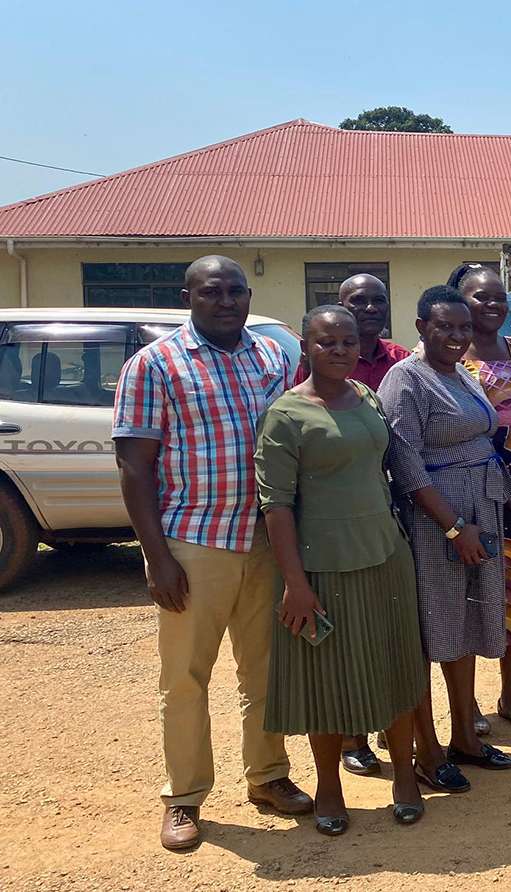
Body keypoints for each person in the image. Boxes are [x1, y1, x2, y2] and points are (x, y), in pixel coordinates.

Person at [112, 255, 313, 851]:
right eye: (212, 292)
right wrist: (157, 556)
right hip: (193, 541)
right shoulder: (154, 365)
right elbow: (133, 465)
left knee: (267, 670)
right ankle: (185, 797)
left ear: (249, 296)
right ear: (189, 297)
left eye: (235, 291)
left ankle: (269, 776)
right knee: (185, 676)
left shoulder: (271, 357)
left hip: (265, 539)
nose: (225, 301)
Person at [255, 305, 427, 835]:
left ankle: (404, 776)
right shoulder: (285, 414)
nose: (339, 349)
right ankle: (329, 785)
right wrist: (295, 585)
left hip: (384, 556)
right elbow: (276, 506)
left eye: (348, 341)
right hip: (323, 567)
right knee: (324, 678)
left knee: (397, 665)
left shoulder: (369, 398)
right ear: (306, 347)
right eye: (326, 341)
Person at [379, 285, 511, 788]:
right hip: (436, 526)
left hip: (482, 515)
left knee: (468, 621)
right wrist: (452, 526)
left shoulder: (463, 375)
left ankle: (466, 737)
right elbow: (405, 464)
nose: (455, 335)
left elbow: (487, 447)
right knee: (433, 631)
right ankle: (427, 752)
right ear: (421, 327)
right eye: (444, 326)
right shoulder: (406, 380)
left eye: (462, 327)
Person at [290, 272, 408, 778]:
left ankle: (392, 727)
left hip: (385, 505)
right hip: (329, 521)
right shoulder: (309, 375)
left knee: (384, 630)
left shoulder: (398, 361)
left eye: (377, 300)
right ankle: (353, 739)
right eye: (357, 301)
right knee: (345, 635)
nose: (368, 308)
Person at [451, 263, 511, 731]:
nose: (492, 304)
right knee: (471, 584)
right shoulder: (445, 353)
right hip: (472, 480)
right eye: (480, 296)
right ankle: (467, 705)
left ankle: (510, 694)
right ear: (459, 299)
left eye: (499, 297)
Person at [291, 273, 410, 389]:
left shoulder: (402, 359)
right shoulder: (322, 359)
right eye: (359, 300)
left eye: (379, 300)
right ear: (342, 308)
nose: (371, 308)